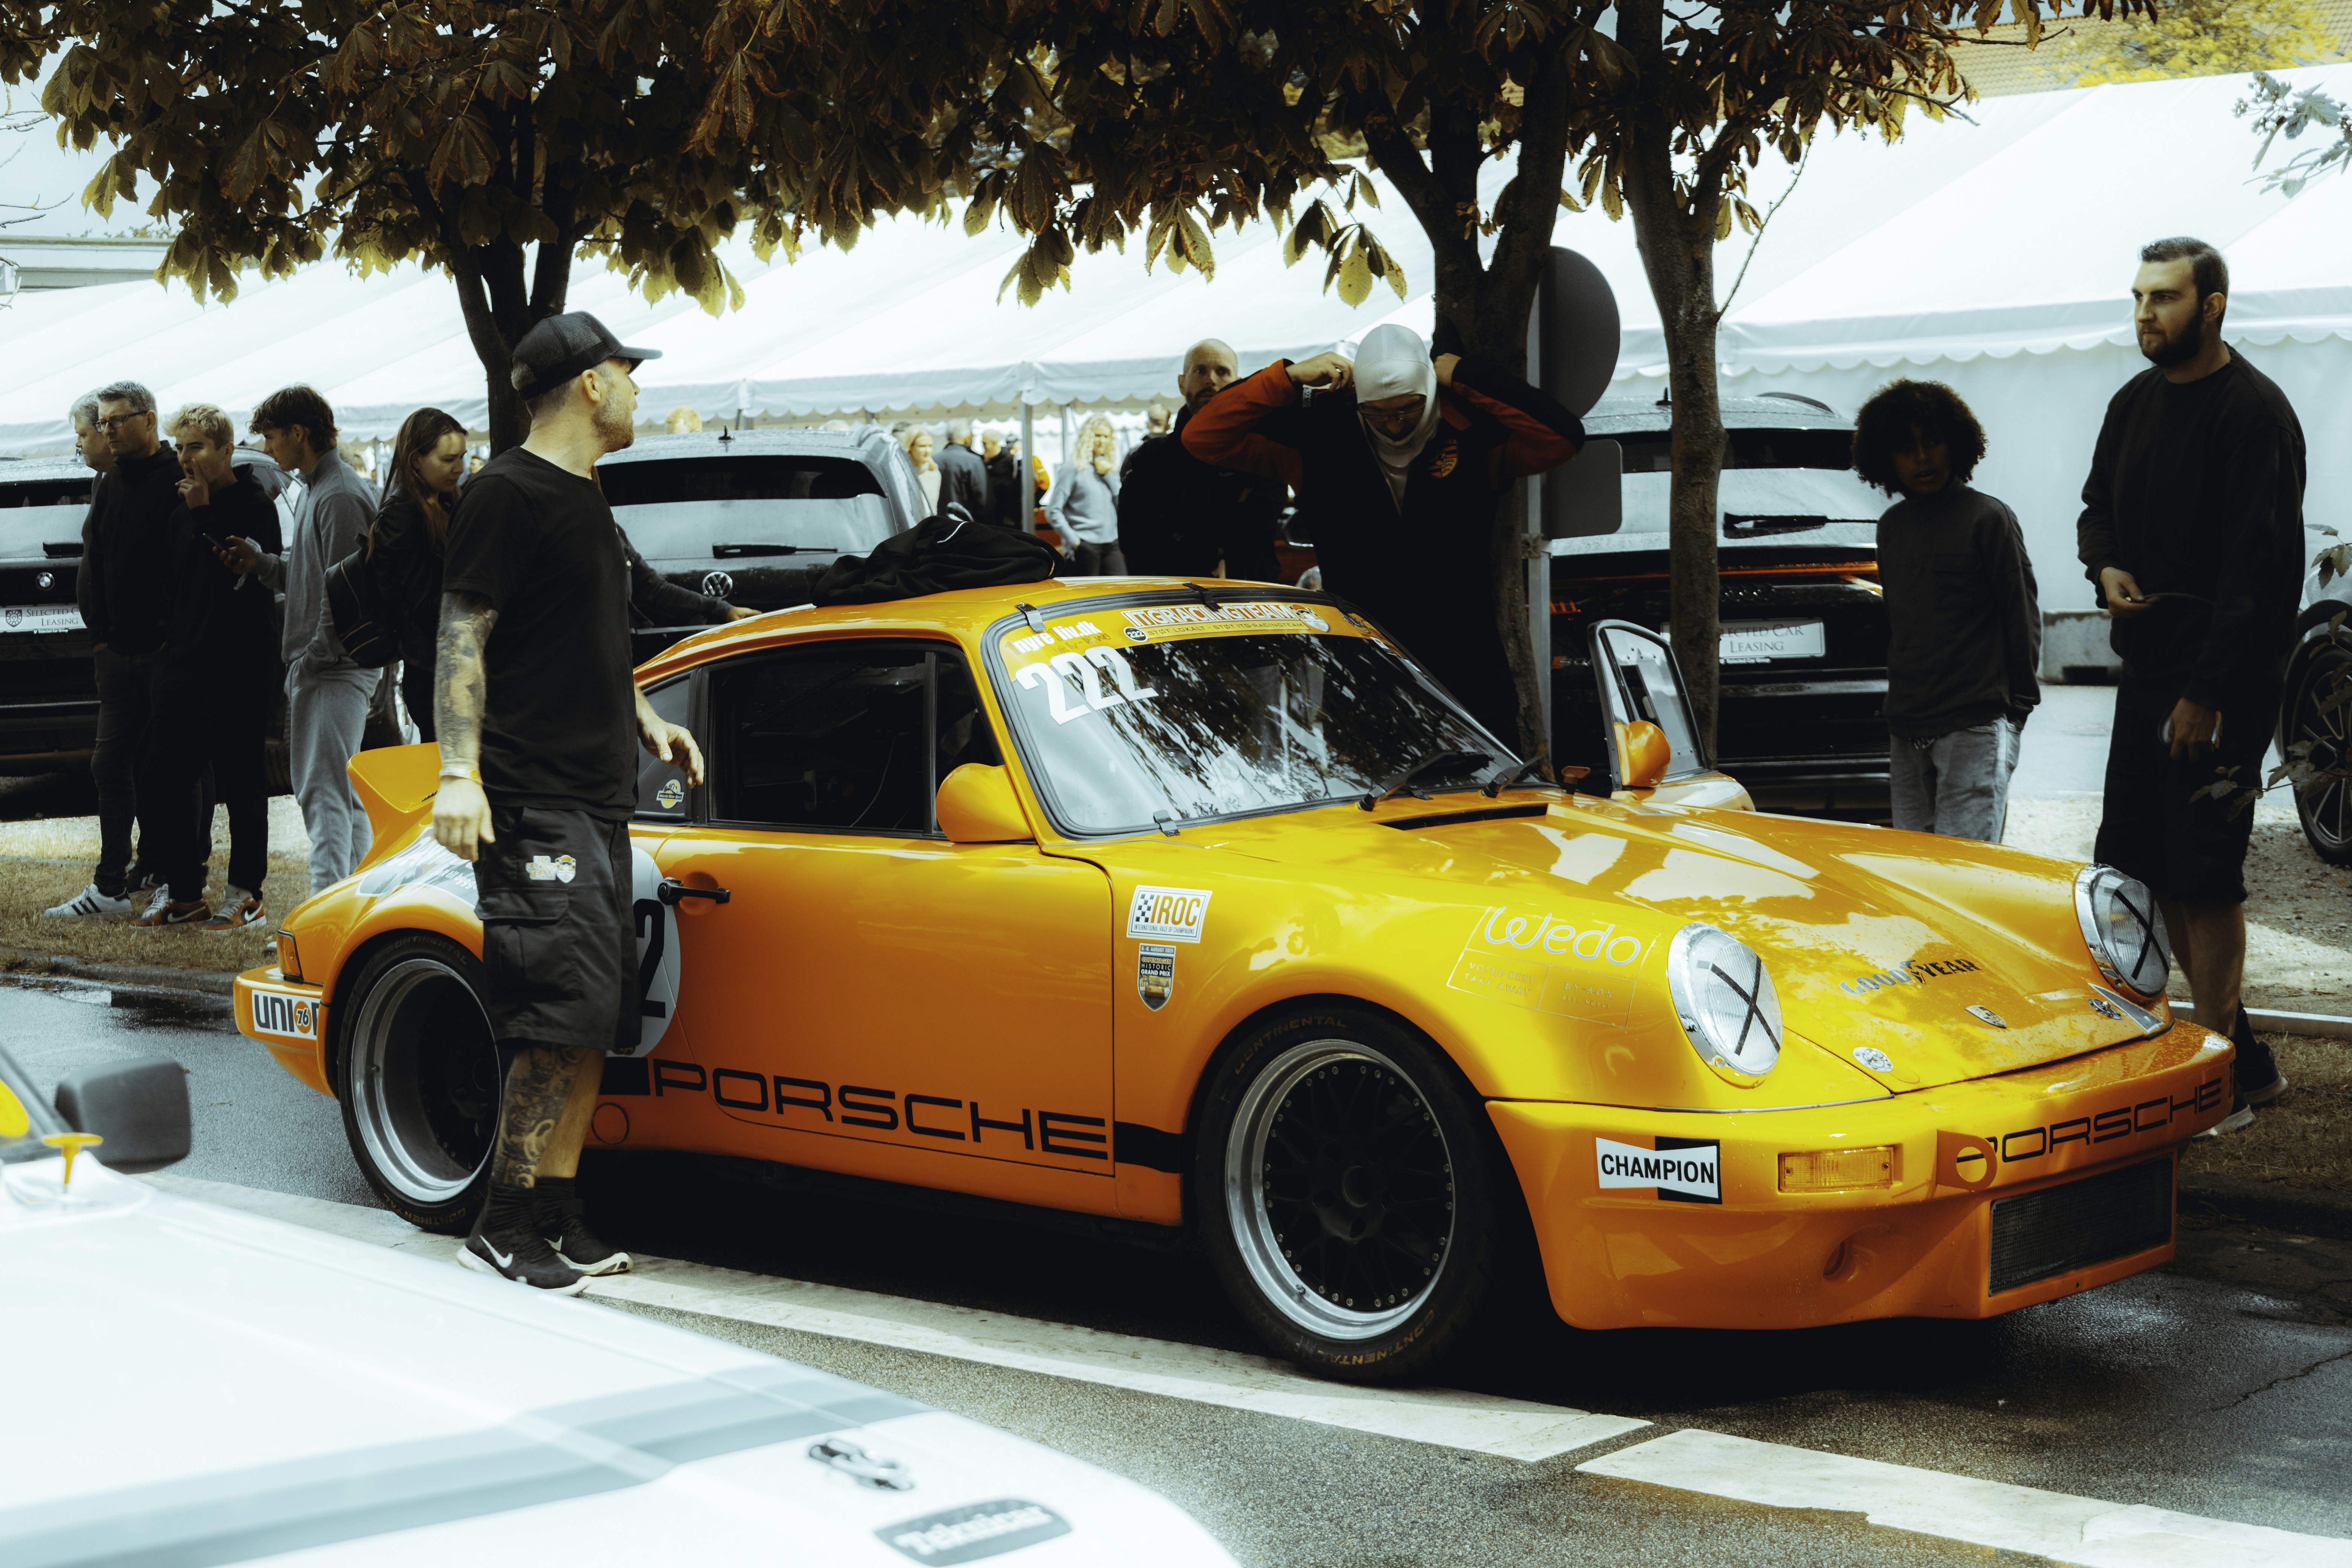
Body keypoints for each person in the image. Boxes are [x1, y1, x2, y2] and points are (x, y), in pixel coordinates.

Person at [432, 310, 702, 1294]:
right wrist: (458, 773)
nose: (639, 390)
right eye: (630, 373)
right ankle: (502, 1223)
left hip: (596, 797)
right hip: (533, 799)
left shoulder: (585, 494)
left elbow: (579, 632)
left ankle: (555, 1213)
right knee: (553, 1015)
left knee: (593, 1016)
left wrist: (642, 717)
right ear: (593, 384)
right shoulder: (506, 492)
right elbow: (464, 632)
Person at [2077, 236, 2303, 1135]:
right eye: (2137, 297)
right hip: (2148, 664)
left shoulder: (2253, 413)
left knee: (2203, 869)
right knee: (2136, 856)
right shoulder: (2131, 403)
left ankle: (2211, 1087)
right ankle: (2238, 1059)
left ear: (2210, 305)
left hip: (2224, 673)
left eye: (2164, 298)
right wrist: (2105, 568)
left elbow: (2261, 571)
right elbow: (2096, 507)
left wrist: (2206, 691)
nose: (2144, 314)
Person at [1182, 325, 1582, 742]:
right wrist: (1287, 377)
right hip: (1364, 670)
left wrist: (1468, 375)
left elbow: (1562, 438)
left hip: (1468, 669)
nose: (1393, 425)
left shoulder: (1472, 437)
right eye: (1377, 413)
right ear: (1358, 403)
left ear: (1431, 391)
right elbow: (1203, 435)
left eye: (1408, 409)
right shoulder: (1319, 442)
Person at [1853, 380, 2039, 842]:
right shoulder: (1891, 527)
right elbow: (1901, 624)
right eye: (1906, 447)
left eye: (1932, 441)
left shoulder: (1987, 518)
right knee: (1918, 874)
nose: (1922, 457)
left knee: (1967, 872)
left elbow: (2022, 618)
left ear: (1955, 442)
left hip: (1975, 723)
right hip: (1908, 725)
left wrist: (2015, 713)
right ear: (1886, 459)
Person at [125, 404, 286, 929]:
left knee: (241, 779)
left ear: (224, 448)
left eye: (195, 446)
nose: (185, 457)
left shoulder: (253, 504)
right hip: (184, 662)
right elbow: (172, 582)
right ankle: (186, 890)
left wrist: (202, 514)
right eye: (179, 448)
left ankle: (247, 895)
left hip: (240, 662)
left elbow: (238, 579)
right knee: (159, 777)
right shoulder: (179, 504)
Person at [224, 386, 382, 894]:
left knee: (322, 793)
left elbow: (346, 595)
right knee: (338, 793)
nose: (268, 450)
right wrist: (264, 564)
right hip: (329, 666)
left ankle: (327, 908)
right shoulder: (323, 487)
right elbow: (315, 576)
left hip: (334, 667)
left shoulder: (338, 494)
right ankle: (353, 903)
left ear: (299, 433)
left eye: (271, 437)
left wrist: (310, 660)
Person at [48, 386, 179, 920]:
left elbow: (183, 570)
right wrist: (101, 635)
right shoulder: (110, 484)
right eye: (100, 424)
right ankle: (110, 888)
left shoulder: (176, 479)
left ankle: (177, 877)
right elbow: (96, 560)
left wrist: (174, 639)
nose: (106, 433)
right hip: (117, 652)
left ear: (149, 421)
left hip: (165, 652)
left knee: (172, 768)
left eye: (116, 422)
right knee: (110, 765)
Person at [1119, 338, 1286, 582]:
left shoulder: (1261, 455)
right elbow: (1134, 540)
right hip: (1173, 603)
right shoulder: (1150, 459)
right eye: (1200, 370)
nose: (1211, 380)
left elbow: (1257, 530)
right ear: (1182, 383)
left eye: (1222, 371)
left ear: (1238, 384)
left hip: (1252, 602)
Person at [366, 407, 470, 744]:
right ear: (415, 461)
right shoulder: (402, 514)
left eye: (463, 457)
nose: (460, 468)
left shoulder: (445, 501)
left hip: (448, 665)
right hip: (433, 673)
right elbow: (420, 602)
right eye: (448, 459)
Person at [1046, 416, 1124, 573]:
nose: (1102, 441)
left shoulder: (1110, 469)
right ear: (1088, 437)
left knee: (1122, 591)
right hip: (1085, 544)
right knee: (1090, 596)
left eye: (1106, 436)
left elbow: (1121, 505)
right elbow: (1053, 511)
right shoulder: (1073, 468)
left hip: (1112, 543)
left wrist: (1110, 475)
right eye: (1097, 435)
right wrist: (1075, 541)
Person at [935, 418, 990, 519]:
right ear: (967, 437)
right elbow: (984, 501)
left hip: (937, 524)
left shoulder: (933, 460)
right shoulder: (974, 461)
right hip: (966, 526)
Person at [981, 431, 1022, 529]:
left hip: (1006, 514)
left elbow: (1016, 488)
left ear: (994, 443)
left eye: (985, 443)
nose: (983, 446)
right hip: (988, 514)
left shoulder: (1009, 460)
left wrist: (1010, 514)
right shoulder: (982, 460)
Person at [904, 426, 942, 513]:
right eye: (922, 446)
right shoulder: (901, 474)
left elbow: (933, 509)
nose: (928, 450)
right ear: (910, 447)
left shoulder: (934, 473)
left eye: (930, 446)